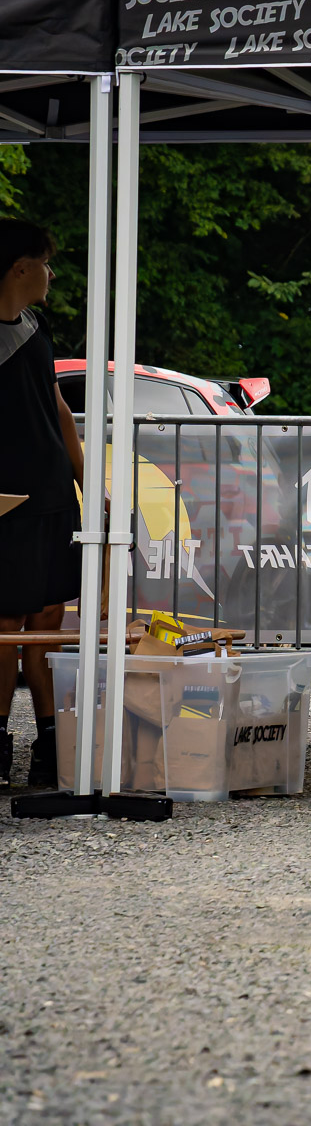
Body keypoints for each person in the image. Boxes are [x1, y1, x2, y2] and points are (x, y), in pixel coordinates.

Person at [0, 221, 84, 789]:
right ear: (19, 268)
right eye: (45, 264)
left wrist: (86, 482)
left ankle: (50, 743)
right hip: (7, 503)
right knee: (7, 622)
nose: (51, 274)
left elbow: (58, 407)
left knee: (50, 619)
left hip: (55, 495)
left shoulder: (38, 325)